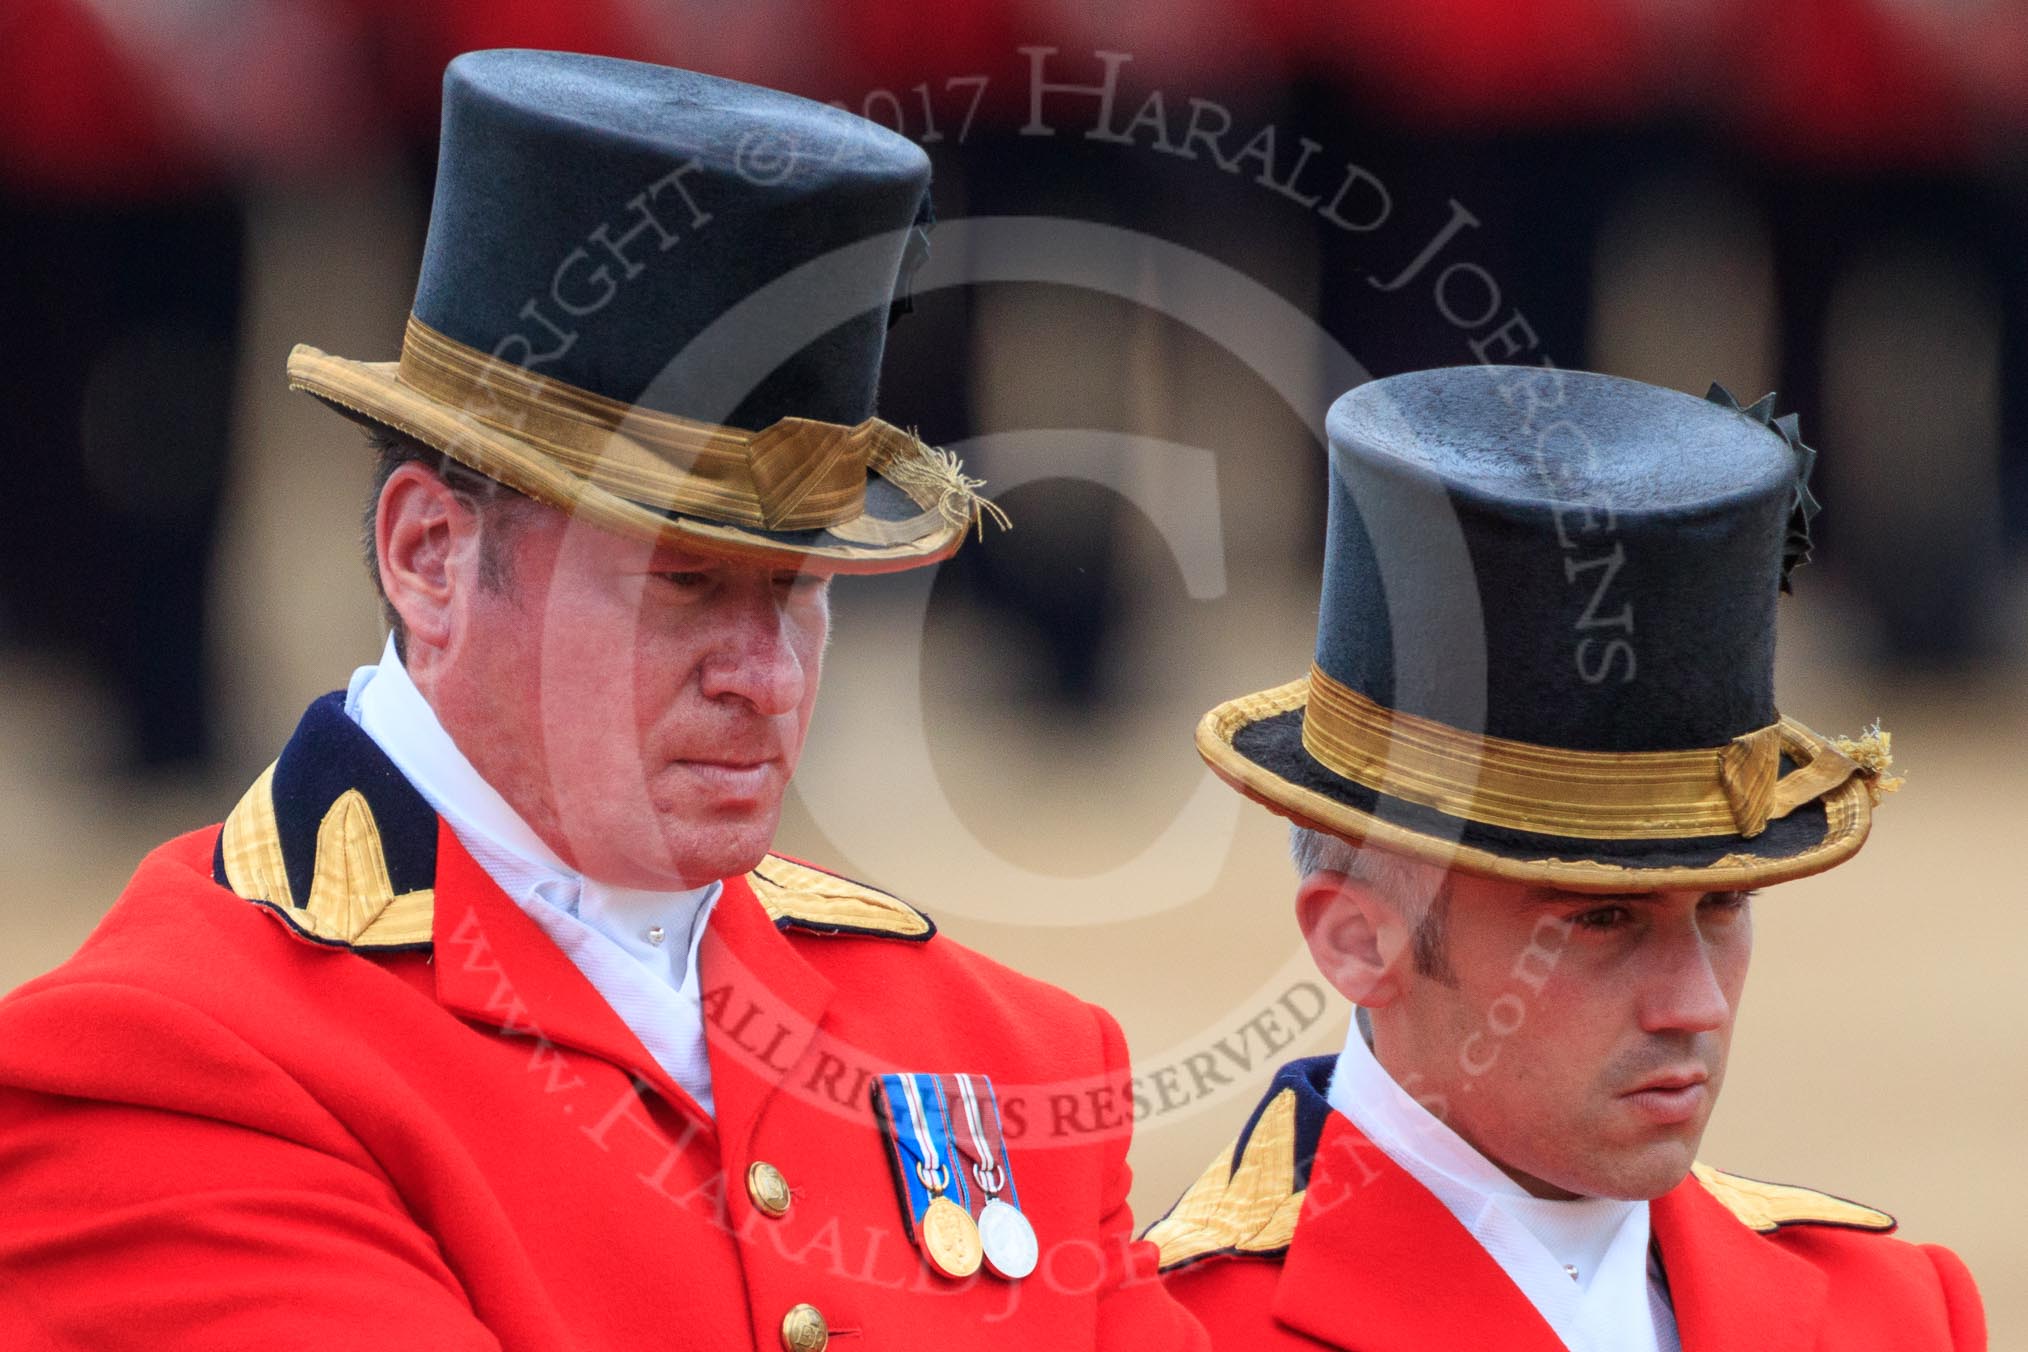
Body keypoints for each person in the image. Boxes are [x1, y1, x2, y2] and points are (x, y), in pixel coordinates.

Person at [0, 51, 1205, 1352]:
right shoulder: (176, 1064)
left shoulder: (1010, 1054)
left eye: (797, 592)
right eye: (685, 586)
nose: (770, 675)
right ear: (429, 557)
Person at [1145, 366, 1985, 1350]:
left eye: (1721, 904)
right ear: (1361, 940)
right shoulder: (1173, 1333)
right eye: (1600, 917)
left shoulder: (1890, 1311)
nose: (1696, 1003)